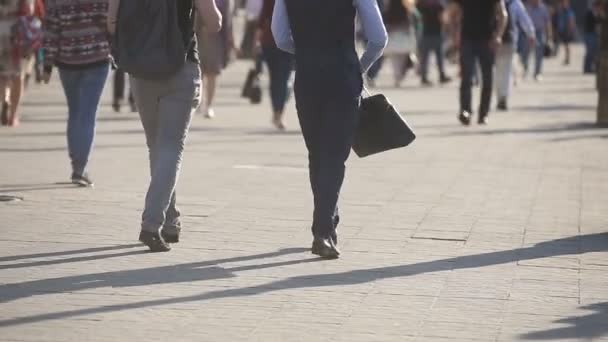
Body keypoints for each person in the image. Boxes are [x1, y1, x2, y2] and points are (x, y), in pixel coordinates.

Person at [272, 0, 387, 258]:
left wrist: (305, 51)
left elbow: (279, 37)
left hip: (308, 76)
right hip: (343, 76)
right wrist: (360, 67)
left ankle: (325, 223)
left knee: (317, 154)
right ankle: (323, 231)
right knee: (334, 157)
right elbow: (379, 39)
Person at [108, 0, 222, 252]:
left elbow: (111, 22)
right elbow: (214, 23)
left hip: (140, 70)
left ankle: (170, 220)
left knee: (157, 147)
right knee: (171, 147)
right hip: (180, 67)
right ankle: (151, 224)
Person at [43, 0, 110, 186]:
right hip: (98, 57)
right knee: (87, 114)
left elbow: (51, 29)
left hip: (67, 60)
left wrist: (47, 63)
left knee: (75, 112)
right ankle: (79, 170)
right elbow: (113, 21)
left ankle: (77, 166)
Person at [454, 0, 507, 126]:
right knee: (466, 77)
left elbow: (503, 14)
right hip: (467, 39)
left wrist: (498, 36)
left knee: (487, 78)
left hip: (487, 40)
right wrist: (454, 34)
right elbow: (453, 12)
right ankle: (465, 111)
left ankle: (483, 113)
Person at [0, 0, 40, 127]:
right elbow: (29, 10)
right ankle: (13, 116)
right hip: (16, 34)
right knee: (18, 75)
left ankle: (5, 99)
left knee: (1, 74)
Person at [257, 0, 293, 130]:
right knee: (280, 78)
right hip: (275, 42)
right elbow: (263, 15)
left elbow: (263, 16)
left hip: (276, 41)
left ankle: (278, 113)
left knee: (280, 78)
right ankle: (278, 113)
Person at [196, 0, 235, 119]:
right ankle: (199, 101)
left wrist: (230, 40)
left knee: (212, 73)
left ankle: (209, 105)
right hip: (198, 37)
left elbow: (228, 19)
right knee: (199, 72)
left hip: (216, 38)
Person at [495, 0, 535, 111]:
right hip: (510, 40)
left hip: (495, 40)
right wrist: (531, 33)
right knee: (507, 70)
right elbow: (524, 19)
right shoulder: (515, 3)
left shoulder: (493, 2)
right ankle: (504, 96)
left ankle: (500, 96)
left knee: (497, 70)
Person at [383, 0, 421, 88]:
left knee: (395, 57)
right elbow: (413, 16)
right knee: (402, 56)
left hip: (393, 31)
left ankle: (397, 76)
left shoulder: (389, 5)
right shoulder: (407, 4)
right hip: (404, 31)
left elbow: (385, 16)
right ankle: (399, 76)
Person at [417, 0, 451, 86]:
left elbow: (417, 15)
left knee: (425, 57)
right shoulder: (438, 4)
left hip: (426, 33)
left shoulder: (421, 3)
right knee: (439, 57)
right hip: (436, 32)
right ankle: (441, 75)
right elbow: (442, 19)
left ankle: (424, 77)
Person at [523, 0, 552, 81]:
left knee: (539, 54)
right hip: (528, 32)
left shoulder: (543, 8)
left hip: (539, 32)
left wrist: (549, 37)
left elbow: (547, 22)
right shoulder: (527, 7)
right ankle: (525, 69)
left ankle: (537, 73)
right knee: (525, 53)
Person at [583, 0, 602, 74]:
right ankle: (586, 68)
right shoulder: (589, 13)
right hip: (589, 35)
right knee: (589, 52)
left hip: (595, 35)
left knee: (594, 52)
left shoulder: (599, 14)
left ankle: (591, 67)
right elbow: (588, 25)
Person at [555, 0, 576, 66]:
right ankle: (566, 58)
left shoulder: (568, 11)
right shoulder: (561, 11)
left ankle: (567, 59)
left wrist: (570, 31)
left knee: (567, 45)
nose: (562, 4)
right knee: (565, 45)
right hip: (562, 30)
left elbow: (571, 21)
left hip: (566, 31)